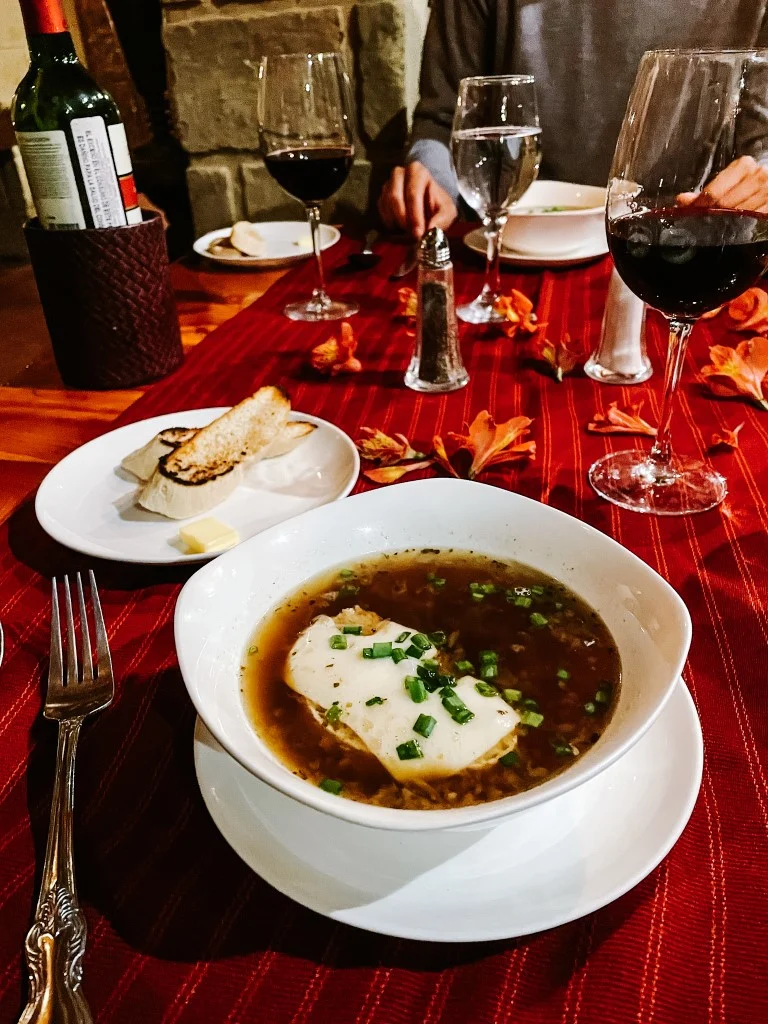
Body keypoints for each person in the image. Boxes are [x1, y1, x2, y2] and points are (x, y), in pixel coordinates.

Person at [379, 0, 768, 238]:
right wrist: (434, 182)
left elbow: (761, 142)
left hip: (694, 248)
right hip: (516, 244)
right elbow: (445, 122)